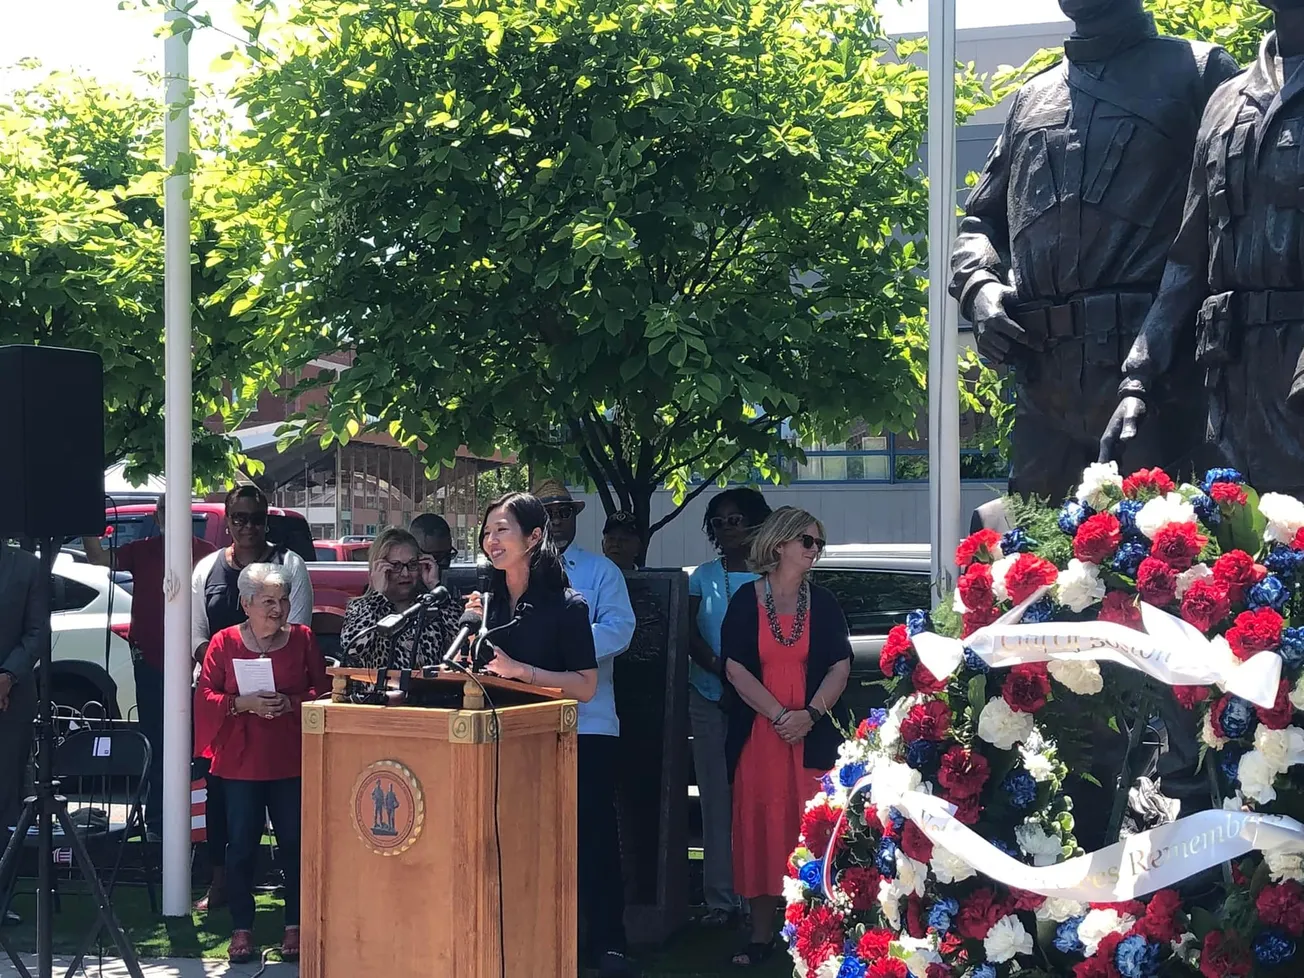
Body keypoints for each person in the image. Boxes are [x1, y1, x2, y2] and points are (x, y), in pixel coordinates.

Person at [949, 0, 1239, 502]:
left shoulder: (1198, 71)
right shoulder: (1032, 97)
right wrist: (979, 287)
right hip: (1044, 384)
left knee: (1166, 561)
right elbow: (980, 221)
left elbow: (1226, 224)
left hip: (1159, 382)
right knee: (1030, 568)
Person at [1101, 0, 1304, 495]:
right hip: (1233, 389)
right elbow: (1189, 257)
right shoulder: (1227, 100)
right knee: (1240, 559)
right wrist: (1139, 379)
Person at [721, 507, 851, 968]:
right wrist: (780, 715)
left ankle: (818, 935)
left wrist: (809, 714)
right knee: (760, 825)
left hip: (809, 735)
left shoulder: (826, 603)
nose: (815, 552)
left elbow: (840, 664)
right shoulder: (744, 601)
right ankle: (760, 936)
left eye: (818, 544)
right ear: (780, 545)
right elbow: (734, 666)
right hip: (760, 733)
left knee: (811, 828)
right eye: (808, 542)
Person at [195, 563, 329, 964]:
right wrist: (241, 704)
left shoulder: (302, 639)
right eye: (268, 601)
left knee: (294, 845)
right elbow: (204, 696)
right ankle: (242, 928)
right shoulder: (223, 642)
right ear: (246, 603)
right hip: (240, 762)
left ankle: (295, 925)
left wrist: (292, 702)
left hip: (289, 759)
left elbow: (323, 691)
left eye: (284, 599)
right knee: (241, 849)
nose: (278, 608)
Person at [531, 479, 638, 978]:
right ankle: (539, 938)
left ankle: (608, 943)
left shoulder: (601, 571)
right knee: (531, 834)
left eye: (565, 511)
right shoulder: (513, 572)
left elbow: (618, 630)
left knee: (593, 835)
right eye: (548, 512)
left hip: (589, 721)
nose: (558, 520)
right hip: (524, 723)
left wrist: (555, 644)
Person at [190, 485, 314, 913]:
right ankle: (221, 883)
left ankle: (293, 910)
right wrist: (229, 679)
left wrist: (276, 689)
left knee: (290, 825)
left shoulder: (290, 565)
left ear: (267, 522)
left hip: (282, 713)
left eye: (256, 518)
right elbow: (196, 636)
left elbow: (293, 633)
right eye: (239, 517)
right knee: (224, 808)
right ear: (226, 519)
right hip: (227, 711)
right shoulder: (206, 569)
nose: (247, 526)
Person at [83, 495, 216, 838]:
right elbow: (97, 556)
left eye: (175, 512)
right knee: (155, 742)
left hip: (196, 666)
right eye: (163, 511)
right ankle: (156, 823)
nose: (168, 517)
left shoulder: (207, 554)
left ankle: (199, 823)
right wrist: (86, 519)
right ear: (157, 516)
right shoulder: (142, 550)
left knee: (196, 745)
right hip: (151, 663)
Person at [686, 488, 772, 928]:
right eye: (717, 523)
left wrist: (750, 686)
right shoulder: (701, 576)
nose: (725, 529)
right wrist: (721, 673)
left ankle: (765, 895)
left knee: (760, 800)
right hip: (709, 695)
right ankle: (721, 901)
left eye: (734, 519)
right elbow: (689, 635)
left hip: (765, 704)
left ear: (756, 522)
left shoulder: (775, 576)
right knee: (716, 799)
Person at [465, 492, 598, 702]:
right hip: (486, 724)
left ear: (534, 536)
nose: (491, 541)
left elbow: (586, 687)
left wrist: (519, 670)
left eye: (501, 530)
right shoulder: (486, 603)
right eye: (487, 532)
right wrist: (471, 637)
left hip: (541, 728)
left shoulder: (567, 605)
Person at [0, 541, 47, 926]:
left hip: (10, 701)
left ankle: (1, 898)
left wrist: (8, 676)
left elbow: (36, 633)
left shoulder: (26, 567)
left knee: (3, 797)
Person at [339, 527, 460, 669]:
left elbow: (463, 638)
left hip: (432, 690)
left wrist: (434, 586)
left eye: (412, 565)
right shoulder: (361, 607)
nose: (405, 573)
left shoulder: (431, 606)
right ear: (379, 569)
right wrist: (377, 596)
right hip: (382, 689)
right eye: (395, 566)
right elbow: (353, 649)